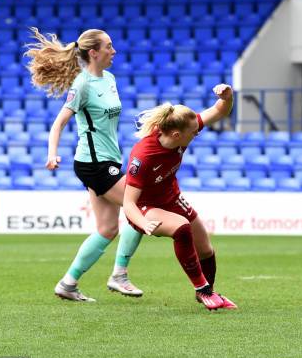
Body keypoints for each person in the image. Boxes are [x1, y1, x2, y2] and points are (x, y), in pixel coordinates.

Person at [25, 27, 144, 302]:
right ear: (94, 52)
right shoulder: (82, 85)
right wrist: (52, 154)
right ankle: (119, 275)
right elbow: (58, 124)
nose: (114, 51)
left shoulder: (110, 79)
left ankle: (68, 284)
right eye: (109, 46)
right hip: (94, 164)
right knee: (140, 207)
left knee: (107, 229)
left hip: (109, 160)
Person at [123, 83, 237, 311]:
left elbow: (219, 111)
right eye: (194, 133)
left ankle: (208, 292)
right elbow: (128, 202)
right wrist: (144, 223)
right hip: (146, 208)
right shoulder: (143, 156)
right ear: (177, 135)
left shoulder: (183, 128)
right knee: (182, 228)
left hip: (171, 197)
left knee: (205, 249)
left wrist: (228, 97)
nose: (197, 133)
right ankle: (203, 291)